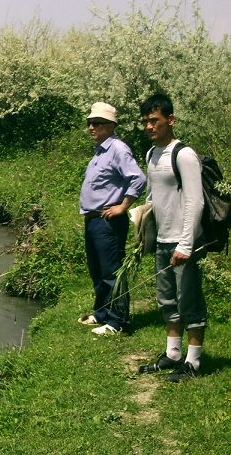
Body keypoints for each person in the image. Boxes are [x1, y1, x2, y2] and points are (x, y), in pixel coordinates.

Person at [138, 93, 207, 382]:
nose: (149, 127)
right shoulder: (151, 155)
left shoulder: (184, 154)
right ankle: (173, 354)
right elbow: (153, 199)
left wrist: (186, 245)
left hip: (183, 243)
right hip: (163, 241)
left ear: (171, 120)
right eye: (145, 122)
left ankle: (194, 362)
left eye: (154, 120)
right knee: (167, 300)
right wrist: (146, 234)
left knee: (188, 300)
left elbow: (196, 202)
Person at [78, 102, 146, 335]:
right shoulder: (100, 151)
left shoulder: (118, 149)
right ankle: (102, 313)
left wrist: (123, 206)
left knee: (111, 271)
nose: (91, 127)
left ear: (110, 125)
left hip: (108, 221)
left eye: (97, 123)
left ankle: (118, 322)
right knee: (97, 269)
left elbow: (138, 179)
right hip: (94, 219)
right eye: (90, 123)